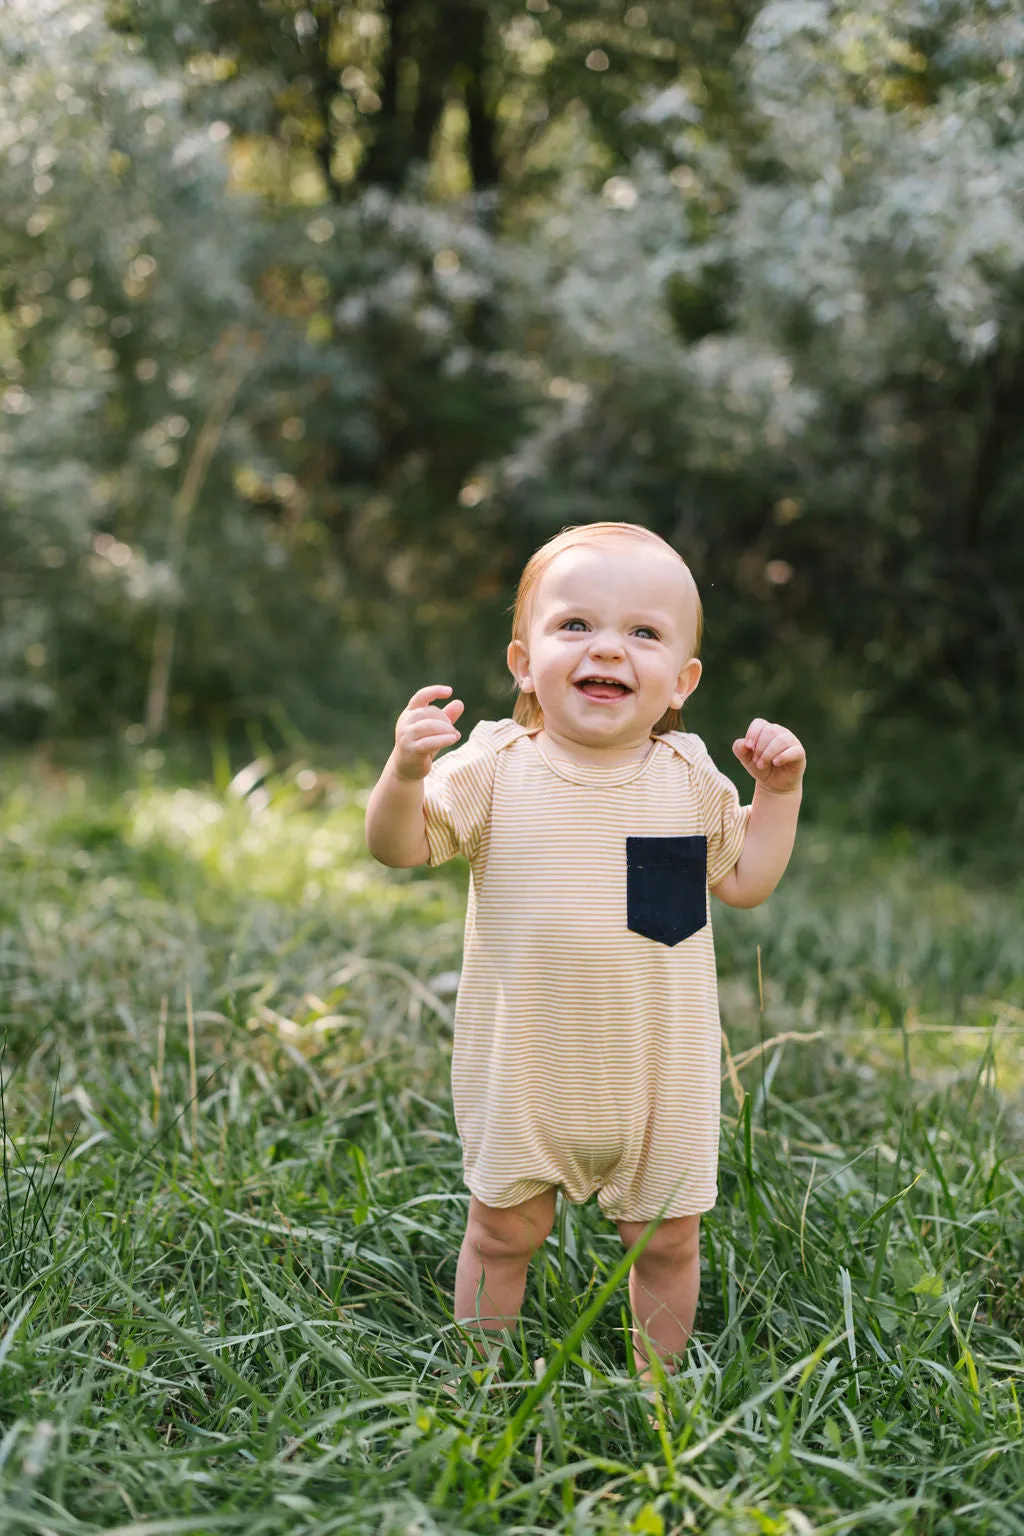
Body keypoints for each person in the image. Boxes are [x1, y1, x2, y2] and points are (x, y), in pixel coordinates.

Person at [364, 521, 806, 1378]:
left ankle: (661, 1394)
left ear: (680, 682)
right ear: (524, 661)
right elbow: (401, 846)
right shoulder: (496, 764)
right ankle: (481, 1387)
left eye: (642, 633)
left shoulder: (687, 776)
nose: (608, 647)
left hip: (656, 1075)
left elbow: (744, 879)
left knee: (667, 1240)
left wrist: (776, 795)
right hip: (528, 1065)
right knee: (502, 1231)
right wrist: (404, 775)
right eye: (576, 626)